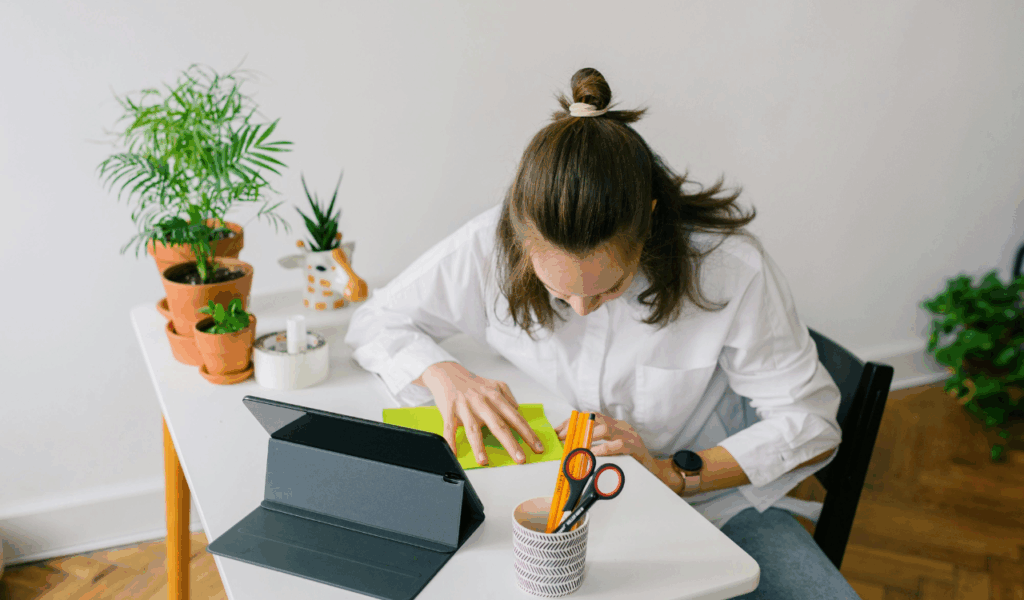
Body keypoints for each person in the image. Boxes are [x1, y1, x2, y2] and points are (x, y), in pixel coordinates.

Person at [345, 68, 859, 599]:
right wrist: (443, 374)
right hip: (547, 494)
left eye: (606, 289)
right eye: (561, 293)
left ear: (650, 222)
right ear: (522, 240)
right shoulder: (485, 247)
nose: (583, 310)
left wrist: (672, 474)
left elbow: (810, 421)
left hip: (707, 505)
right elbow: (375, 321)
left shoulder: (730, 269)